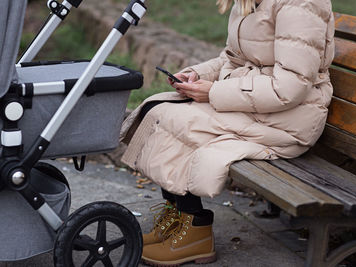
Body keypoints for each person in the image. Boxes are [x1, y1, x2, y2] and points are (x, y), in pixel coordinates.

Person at [120, 0, 335, 265]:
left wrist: (213, 92)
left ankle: (194, 232)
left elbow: (290, 88)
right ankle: (177, 218)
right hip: (257, 104)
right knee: (160, 111)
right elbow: (232, 58)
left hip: (288, 118)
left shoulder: (301, 4)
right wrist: (196, 74)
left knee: (183, 123)